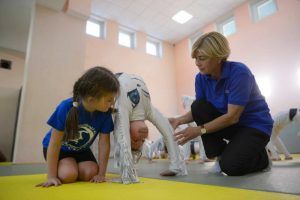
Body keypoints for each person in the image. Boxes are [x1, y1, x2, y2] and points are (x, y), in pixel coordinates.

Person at [170, 31, 273, 176]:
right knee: (198, 106)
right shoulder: (201, 78)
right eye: (196, 59)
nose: (197, 63)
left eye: (202, 58)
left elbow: (232, 117)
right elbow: (198, 111)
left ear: (218, 57)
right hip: (231, 126)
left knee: (231, 167)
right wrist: (178, 120)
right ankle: (222, 157)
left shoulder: (239, 73)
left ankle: (262, 159)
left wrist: (199, 130)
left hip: (254, 127)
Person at [37, 66, 120, 187]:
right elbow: (54, 143)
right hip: (60, 150)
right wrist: (51, 176)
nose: (112, 103)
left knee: (90, 173)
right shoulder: (65, 107)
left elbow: (104, 144)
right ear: (91, 99)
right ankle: (69, 166)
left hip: (81, 150)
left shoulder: (105, 113)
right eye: (109, 100)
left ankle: (73, 165)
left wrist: (102, 174)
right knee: (68, 175)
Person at [113, 73, 187, 184]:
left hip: (122, 82)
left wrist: (127, 173)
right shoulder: (147, 109)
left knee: (121, 133)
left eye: (139, 140)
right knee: (122, 134)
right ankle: (128, 171)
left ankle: (127, 172)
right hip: (129, 83)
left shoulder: (126, 107)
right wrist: (175, 166)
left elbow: (123, 137)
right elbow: (168, 131)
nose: (141, 140)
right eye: (140, 140)